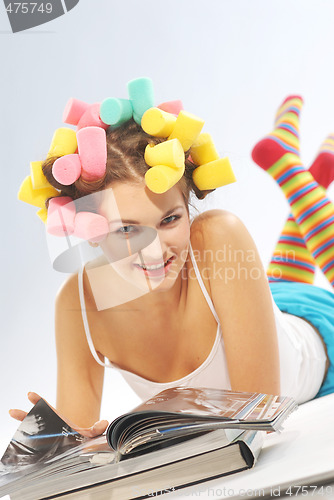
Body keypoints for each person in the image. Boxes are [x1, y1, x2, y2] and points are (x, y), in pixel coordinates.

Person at [11, 81, 334, 439]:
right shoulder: (79, 303)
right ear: (91, 229)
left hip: (317, 339)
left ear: (188, 209)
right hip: (255, 301)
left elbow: (256, 422)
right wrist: (58, 444)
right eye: (127, 230)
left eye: (169, 220)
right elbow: (78, 450)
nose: (154, 251)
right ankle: (310, 170)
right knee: (284, 280)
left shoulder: (218, 235)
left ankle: (290, 168)